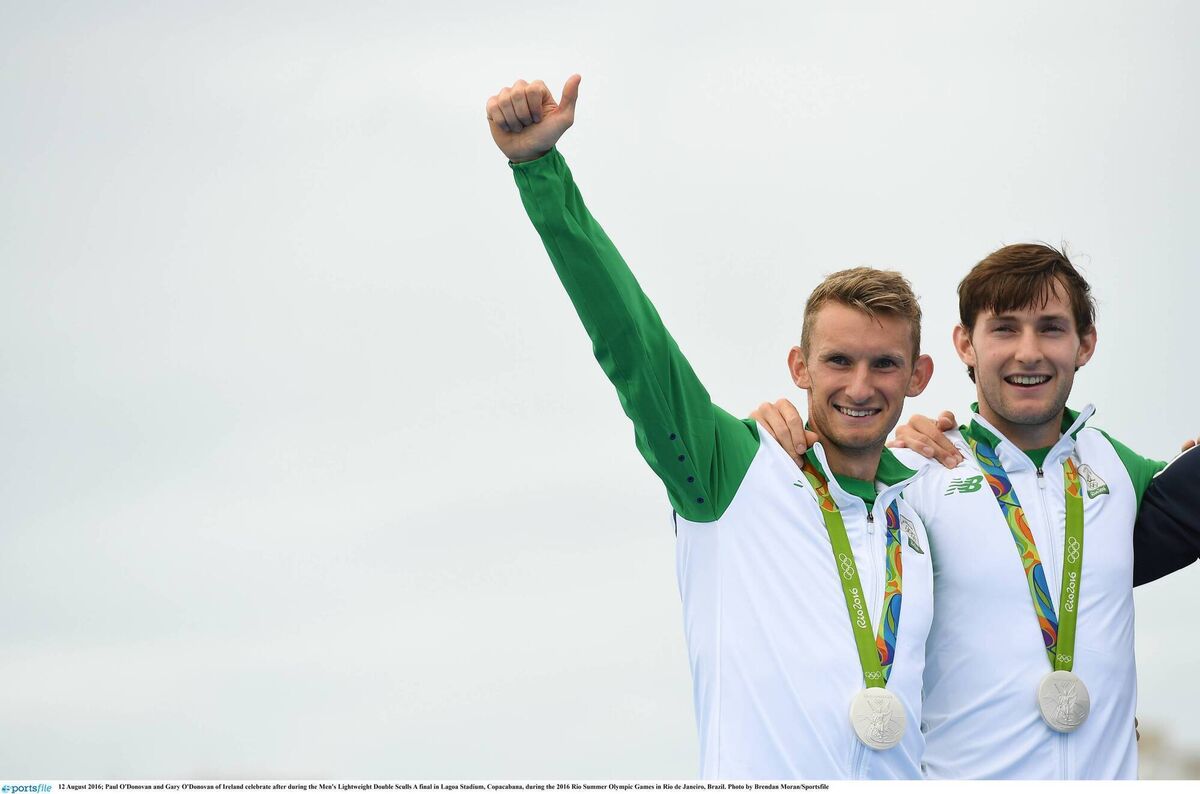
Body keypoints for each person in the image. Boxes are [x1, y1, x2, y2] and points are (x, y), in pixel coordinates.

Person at [487, 74, 938, 779]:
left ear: (918, 376)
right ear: (799, 365)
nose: (860, 386)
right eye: (838, 360)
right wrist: (539, 172)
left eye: (884, 364)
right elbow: (632, 342)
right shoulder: (729, 470)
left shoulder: (932, 501)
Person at [751, 244, 1193, 778]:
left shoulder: (1117, 469)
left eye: (1051, 328)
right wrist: (776, 430)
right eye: (1004, 328)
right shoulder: (914, 472)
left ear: (1086, 344)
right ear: (965, 343)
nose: (1028, 352)